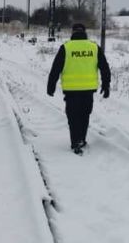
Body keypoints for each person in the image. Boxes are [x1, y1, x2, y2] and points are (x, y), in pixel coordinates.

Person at [46, 23, 111, 155]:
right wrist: (106, 85)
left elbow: (55, 68)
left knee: (73, 116)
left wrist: (51, 86)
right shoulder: (94, 47)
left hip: (71, 90)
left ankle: (75, 141)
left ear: (73, 32)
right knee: (84, 114)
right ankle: (82, 138)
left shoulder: (66, 48)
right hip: (88, 89)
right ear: (85, 32)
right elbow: (105, 68)